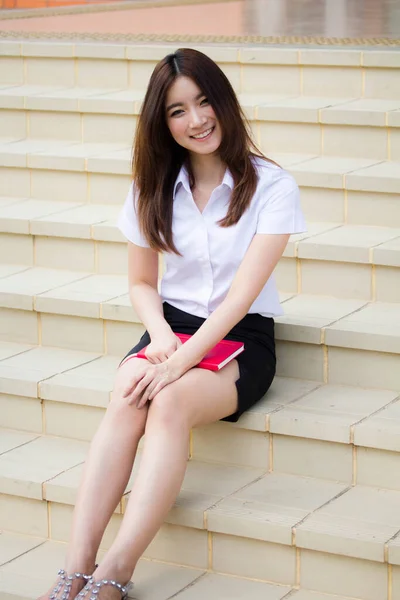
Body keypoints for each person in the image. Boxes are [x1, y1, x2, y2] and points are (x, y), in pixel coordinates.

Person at [39, 47, 306, 600]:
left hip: (241, 335)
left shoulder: (272, 185)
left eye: (205, 102)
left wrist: (182, 362)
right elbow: (141, 282)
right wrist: (161, 340)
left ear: (225, 103)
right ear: (162, 123)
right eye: (178, 111)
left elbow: (239, 299)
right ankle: (74, 569)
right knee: (127, 392)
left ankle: (116, 570)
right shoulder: (151, 185)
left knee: (170, 401)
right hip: (172, 326)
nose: (197, 119)